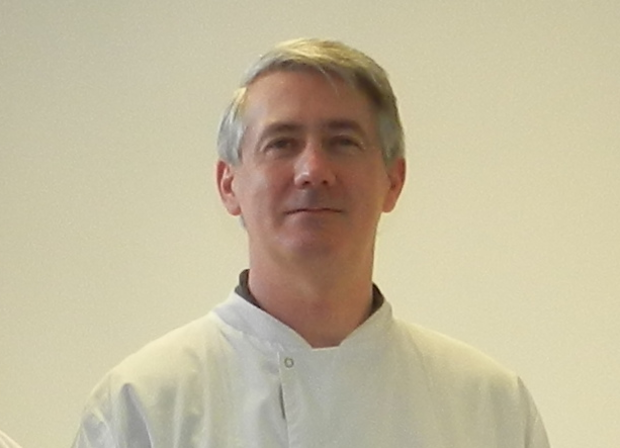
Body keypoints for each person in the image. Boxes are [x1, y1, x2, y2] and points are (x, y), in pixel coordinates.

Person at [72, 38, 550, 447]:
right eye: (281, 143)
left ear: (393, 180)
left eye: (343, 141)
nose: (313, 171)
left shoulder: (489, 408)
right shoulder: (141, 406)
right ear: (228, 184)